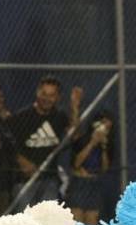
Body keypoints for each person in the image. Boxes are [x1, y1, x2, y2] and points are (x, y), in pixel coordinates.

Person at [6, 76, 82, 211]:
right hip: (24, 181)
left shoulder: (59, 117)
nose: (46, 99)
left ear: (58, 97)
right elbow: (7, 146)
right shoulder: (21, 117)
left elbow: (74, 136)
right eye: (44, 94)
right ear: (37, 93)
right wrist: (22, 161)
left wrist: (75, 108)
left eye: (52, 95)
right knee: (26, 224)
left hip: (49, 180)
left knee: (47, 222)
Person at [68, 114, 114, 225]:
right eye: (103, 125)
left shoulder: (107, 145)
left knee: (92, 222)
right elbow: (76, 163)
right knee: (77, 221)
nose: (104, 130)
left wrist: (103, 147)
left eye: (108, 128)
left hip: (94, 184)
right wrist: (92, 143)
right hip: (79, 183)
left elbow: (104, 168)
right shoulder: (82, 140)